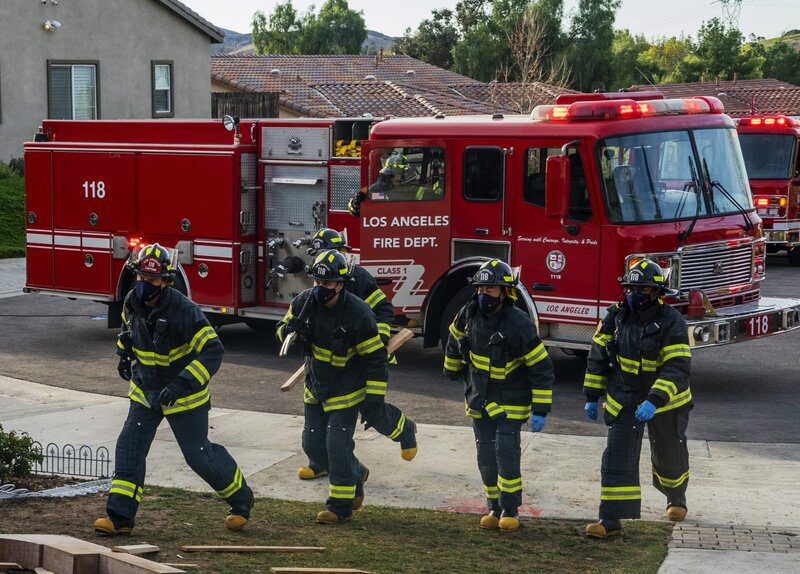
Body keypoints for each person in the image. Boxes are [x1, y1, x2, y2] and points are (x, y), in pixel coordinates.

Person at [94, 243, 254, 536]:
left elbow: (212, 350)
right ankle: (120, 518)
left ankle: (241, 501)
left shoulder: (185, 311)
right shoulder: (132, 299)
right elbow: (128, 332)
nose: (144, 285)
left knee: (199, 456)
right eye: (141, 278)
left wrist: (182, 383)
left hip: (185, 398)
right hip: (145, 392)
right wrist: (123, 355)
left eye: (151, 281)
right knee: (129, 449)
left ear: (166, 281)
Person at [275, 250, 391, 524]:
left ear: (340, 285)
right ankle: (356, 472)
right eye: (316, 282)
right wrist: (291, 330)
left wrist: (374, 401)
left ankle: (340, 507)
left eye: (326, 285)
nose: (319, 289)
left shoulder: (359, 312)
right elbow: (280, 331)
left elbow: (375, 360)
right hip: (316, 386)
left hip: (347, 390)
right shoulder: (304, 301)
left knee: (337, 445)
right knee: (313, 445)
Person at [292, 229, 417, 482]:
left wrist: (377, 340)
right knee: (319, 423)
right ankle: (320, 463)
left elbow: (382, 310)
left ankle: (404, 430)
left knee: (372, 411)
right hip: (329, 361)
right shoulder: (315, 289)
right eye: (318, 257)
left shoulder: (358, 278)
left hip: (362, 354)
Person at [583, 259, 692, 539]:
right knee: (617, 457)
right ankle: (610, 518)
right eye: (631, 288)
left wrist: (654, 400)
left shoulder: (672, 321)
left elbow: (677, 367)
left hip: (666, 401)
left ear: (657, 293)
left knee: (670, 455)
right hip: (625, 397)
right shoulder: (615, 317)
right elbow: (597, 356)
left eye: (642, 289)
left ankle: (676, 497)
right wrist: (592, 396)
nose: (635, 295)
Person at [443, 259, 555, 532]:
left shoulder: (519, 324)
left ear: (505, 293)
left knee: (506, 454)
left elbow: (541, 368)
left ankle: (510, 509)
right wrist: (452, 368)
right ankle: (493, 506)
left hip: (510, 402)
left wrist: (540, 408)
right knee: (485, 456)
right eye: (481, 289)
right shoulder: (467, 314)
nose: (484, 295)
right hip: (480, 399)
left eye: (490, 290)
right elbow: (454, 341)